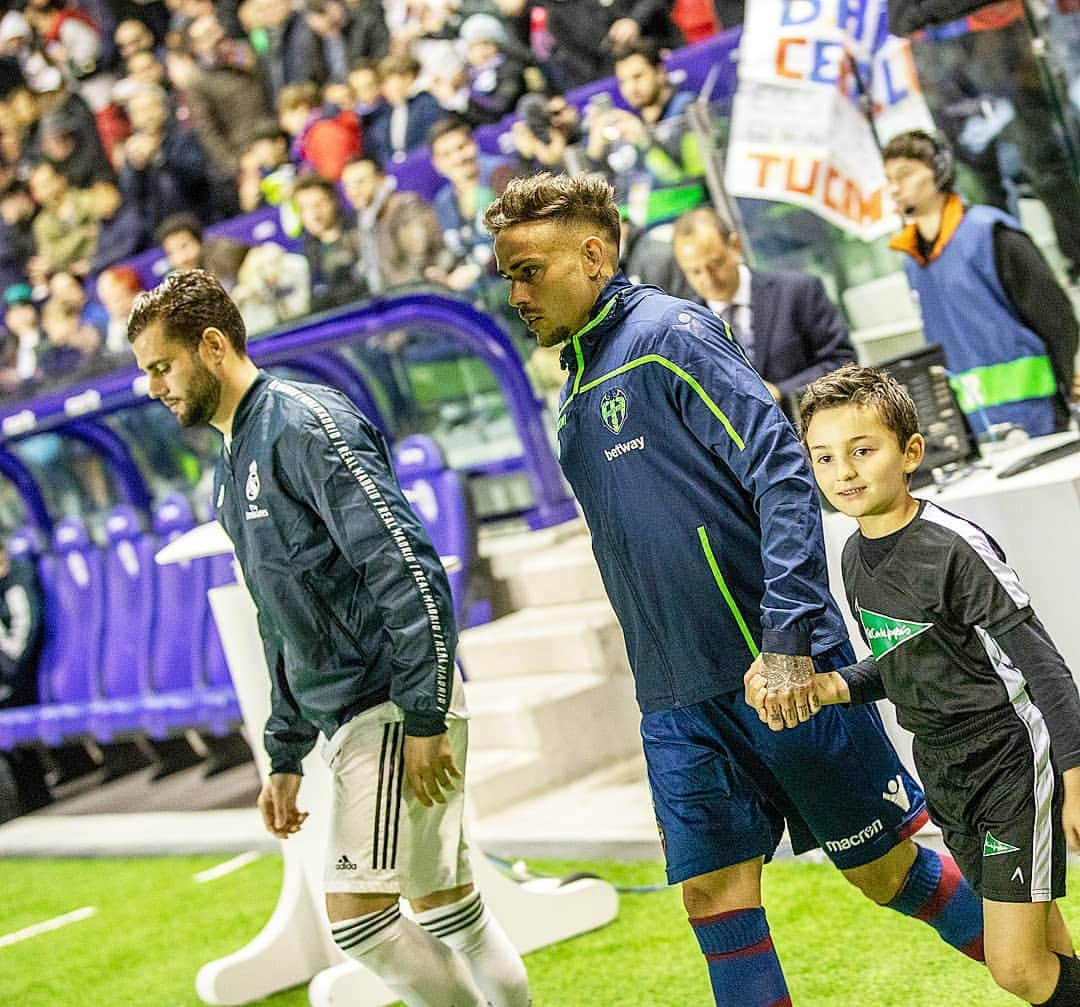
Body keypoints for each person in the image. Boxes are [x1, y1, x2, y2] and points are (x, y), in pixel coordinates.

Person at [483, 172, 985, 1006]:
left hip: (779, 672)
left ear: (595, 254)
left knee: (885, 871)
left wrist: (787, 641)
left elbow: (783, 470)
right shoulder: (574, 383)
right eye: (508, 274)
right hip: (678, 696)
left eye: (529, 270)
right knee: (713, 896)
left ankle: (1059, 982)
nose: (516, 293)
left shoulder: (670, 332)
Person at [127, 269, 530, 1007]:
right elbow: (276, 615)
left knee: (360, 922)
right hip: (356, 712)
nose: (154, 387)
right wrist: (283, 752)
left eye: (162, 365)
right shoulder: (231, 456)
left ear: (212, 345)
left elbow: (408, 567)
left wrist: (425, 714)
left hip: (388, 702)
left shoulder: (305, 424)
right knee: (446, 908)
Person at [749, 363, 1080, 1006]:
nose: (842, 471)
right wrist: (827, 687)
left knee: (1014, 967)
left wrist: (1075, 777)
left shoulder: (955, 546)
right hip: (945, 771)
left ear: (911, 453)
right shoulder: (851, 555)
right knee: (1047, 953)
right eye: (823, 457)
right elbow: (903, 658)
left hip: (1011, 764)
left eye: (862, 450)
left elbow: (1043, 666)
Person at [883, 129, 1078, 438]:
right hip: (976, 429)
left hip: (1040, 415)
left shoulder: (992, 234)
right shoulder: (912, 260)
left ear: (940, 169)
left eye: (905, 175)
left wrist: (1065, 391)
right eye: (889, 179)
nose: (894, 189)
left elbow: (1057, 320)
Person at [671, 206, 857, 405]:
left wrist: (782, 392)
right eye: (694, 272)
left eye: (715, 264)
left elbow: (842, 362)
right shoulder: (683, 328)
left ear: (735, 246)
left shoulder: (798, 292)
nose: (708, 279)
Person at [0, 537, 51, 818]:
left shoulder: (17, 582)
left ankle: (33, 794)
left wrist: (7, 671)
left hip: (23, 676)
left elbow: (22, 642)